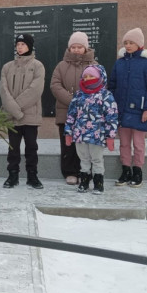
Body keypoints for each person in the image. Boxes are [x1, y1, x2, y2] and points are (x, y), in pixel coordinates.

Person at [108, 27, 147, 188]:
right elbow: (112, 85)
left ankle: (137, 171)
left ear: (139, 44)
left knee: (138, 144)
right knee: (124, 143)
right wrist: (112, 106)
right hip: (122, 111)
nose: (128, 45)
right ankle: (126, 170)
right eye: (126, 43)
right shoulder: (119, 63)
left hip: (139, 111)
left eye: (131, 42)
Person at [50, 31, 96, 185]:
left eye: (79, 47)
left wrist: (85, 102)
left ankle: (85, 171)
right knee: (68, 144)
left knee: (85, 145)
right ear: (69, 48)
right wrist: (73, 101)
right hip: (66, 112)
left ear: (85, 48)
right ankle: (69, 172)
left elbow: (100, 86)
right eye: (73, 47)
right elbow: (55, 85)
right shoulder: (61, 66)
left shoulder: (94, 66)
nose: (76, 50)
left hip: (87, 114)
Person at [0, 33, 45, 189]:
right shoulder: (7, 67)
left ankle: (32, 176)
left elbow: (35, 90)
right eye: (18, 44)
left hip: (30, 115)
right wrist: (15, 111)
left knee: (31, 147)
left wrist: (16, 108)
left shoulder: (37, 66)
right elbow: (4, 91)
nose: (20, 47)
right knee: (13, 148)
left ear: (30, 46)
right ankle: (12, 176)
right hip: (13, 117)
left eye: (23, 44)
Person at [64, 65, 119, 194]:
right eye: (86, 76)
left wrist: (110, 135)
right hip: (80, 134)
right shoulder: (78, 95)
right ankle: (84, 181)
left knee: (97, 159)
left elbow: (112, 116)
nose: (88, 78)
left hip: (97, 135)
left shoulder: (105, 95)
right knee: (83, 158)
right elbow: (71, 114)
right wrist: (68, 132)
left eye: (91, 76)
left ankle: (98, 182)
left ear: (100, 78)